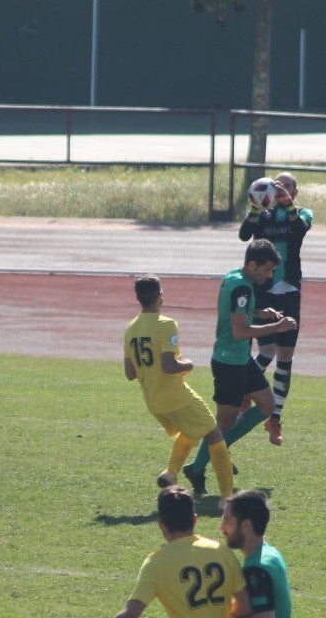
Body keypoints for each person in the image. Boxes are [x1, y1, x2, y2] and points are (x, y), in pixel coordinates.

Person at [65, 485, 246, 618]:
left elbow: (129, 616)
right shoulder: (220, 550)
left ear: (161, 524)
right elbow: (245, 604)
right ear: (195, 519)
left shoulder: (157, 563)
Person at [182, 239, 297, 495]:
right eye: (266, 270)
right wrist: (276, 327)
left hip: (241, 360)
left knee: (267, 405)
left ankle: (216, 453)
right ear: (253, 264)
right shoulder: (242, 289)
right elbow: (239, 331)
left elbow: (236, 313)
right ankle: (198, 466)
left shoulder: (234, 277)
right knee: (224, 423)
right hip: (228, 363)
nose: (269, 276)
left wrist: (260, 313)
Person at [125, 275, 234, 496]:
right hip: (175, 396)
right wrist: (187, 363)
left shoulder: (131, 328)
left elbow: (130, 373)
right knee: (214, 432)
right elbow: (168, 365)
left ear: (138, 298)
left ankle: (170, 473)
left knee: (191, 429)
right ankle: (227, 497)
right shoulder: (166, 324)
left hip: (153, 400)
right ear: (160, 296)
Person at [238, 172, 312, 445]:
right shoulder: (264, 215)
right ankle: (247, 392)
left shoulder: (303, 213)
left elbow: (299, 229)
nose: (281, 189)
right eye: (278, 185)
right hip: (264, 290)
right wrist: (255, 209)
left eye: (288, 186)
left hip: (289, 291)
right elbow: (244, 235)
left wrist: (288, 203)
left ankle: (275, 418)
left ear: (295, 191)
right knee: (266, 351)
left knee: (285, 358)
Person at [222, 489, 300, 618]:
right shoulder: (271, 554)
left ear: (246, 525)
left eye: (227, 520)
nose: (222, 527)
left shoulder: (256, 568)